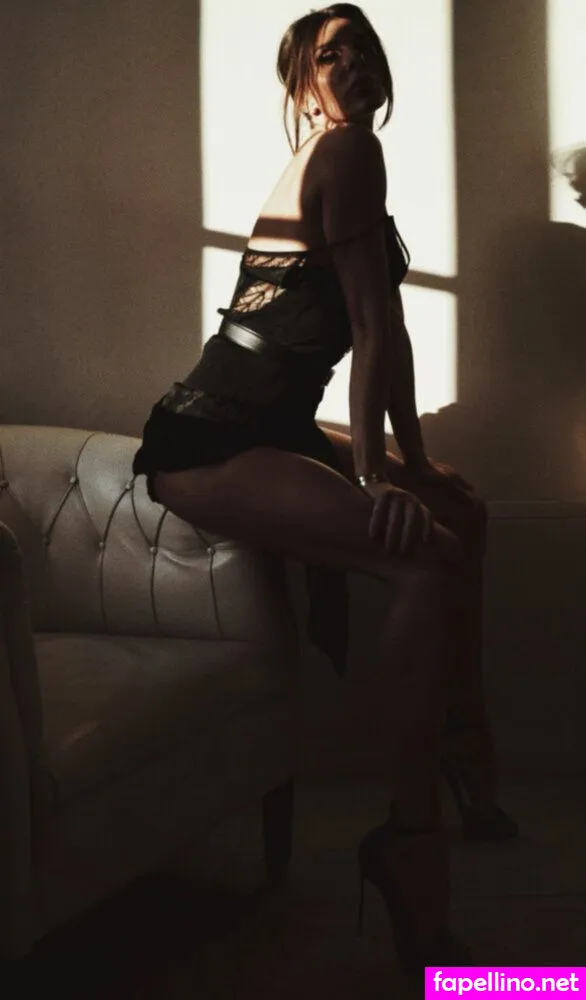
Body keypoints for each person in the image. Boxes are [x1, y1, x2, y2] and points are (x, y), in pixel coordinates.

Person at [132, 2, 517, 972]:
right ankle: (407, 840)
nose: (350, 64)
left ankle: (463, 747)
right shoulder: (345, 153)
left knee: (459, 510)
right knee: (423, 557)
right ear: (303, 84)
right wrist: (372, 478)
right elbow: (372, 331)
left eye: (363, 49)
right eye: (328, 54)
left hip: (273, 420)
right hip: (213, 432)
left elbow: (389, 329)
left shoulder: (350, 161)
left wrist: (413, 462)